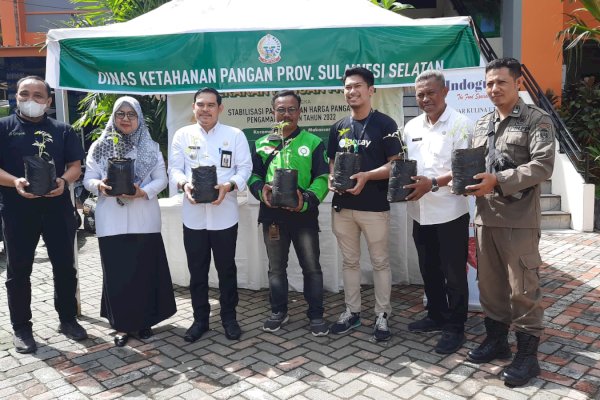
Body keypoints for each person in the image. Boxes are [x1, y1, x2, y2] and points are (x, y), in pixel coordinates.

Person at [465, 58, 555, 387]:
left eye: (501, 82)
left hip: (519, 220)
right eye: (489, 83)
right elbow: (476, 165)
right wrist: (463, 181)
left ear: (517, 83)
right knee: (490, 287)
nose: (494, 89)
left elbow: (543, 165)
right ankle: (497, 341)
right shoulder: (482, 123)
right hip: (486, 218)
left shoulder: (536, 119)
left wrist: (498, 180)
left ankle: (528, 357)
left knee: (523, 288)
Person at [0, 76, 87, 353]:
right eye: (24, 94)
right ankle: (22, 328)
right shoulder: (3, 128)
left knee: (64, 267)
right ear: (16, 96)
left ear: (49, 101)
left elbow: (76, 165)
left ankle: (67, 318)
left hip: (57, 208)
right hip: (17, 210)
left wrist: (64, 180)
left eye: (39, 96)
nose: (31, 100)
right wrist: (14, 181)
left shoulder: (63, 130)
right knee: (18, 271)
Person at [83, 96, 177, 347]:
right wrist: (99, 186)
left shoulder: (151, 147)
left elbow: (162, 180)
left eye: (131, 114)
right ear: (114, 117)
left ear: (139, 119)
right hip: (110, 219)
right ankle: (122, 326)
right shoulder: (101, 146)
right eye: (120, 114)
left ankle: (144, 322)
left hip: (143, 218)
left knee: (143, 272)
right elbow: (88, 178)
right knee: (117, 274)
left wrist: (142, 192)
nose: (125, 119)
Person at [169, 87, 252, 342]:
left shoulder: (234, 135)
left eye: (210, 105)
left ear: (220, 108)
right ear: (193, 107)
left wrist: (229, 186)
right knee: (197, 271)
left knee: (227, 269)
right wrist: (184, 185)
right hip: (193, 218)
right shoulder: (182, 135)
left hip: (225, 216)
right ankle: (200, 320)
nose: (205, 110)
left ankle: (229, 318)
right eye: (200, 105)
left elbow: (245, 167)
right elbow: (174, 169)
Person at [327, 67, 401, 342]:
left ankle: (382, 314)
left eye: (357, 86)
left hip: (374, 206)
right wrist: (333, 178)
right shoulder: (338, 127)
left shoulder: (386, 124)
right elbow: (332, 161)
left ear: (370, 90)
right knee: (350, 262)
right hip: (343, 207)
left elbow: (396, 165)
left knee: (380, 262)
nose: (351, 91)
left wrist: (367, 176)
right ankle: (352, 311)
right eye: (347, 87)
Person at [248, 90, 329, 336]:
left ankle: (316, 314)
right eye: (281, 109)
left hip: (303, 216)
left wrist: (305, 200)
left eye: (291, 109)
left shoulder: (313, 142)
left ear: (300, 112)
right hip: (273, 217)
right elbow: (253, 176)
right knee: (276, 268)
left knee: (311, 267)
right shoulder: (262, 144)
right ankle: (278, 312)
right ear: (273, 112)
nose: (286, 114)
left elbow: (323, 178)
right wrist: (262, 191)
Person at [403, 70, 473, 354]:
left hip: (450, 213)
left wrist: (432, 183)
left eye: (431, 92)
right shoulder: (411, 128)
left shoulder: (461, 125)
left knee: (454, 274)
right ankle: (436, 315)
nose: (425, 98)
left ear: (445, 91)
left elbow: (465, 170)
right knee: (428, 268)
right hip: (420, 212)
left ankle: (455, 327)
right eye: (420, 94)